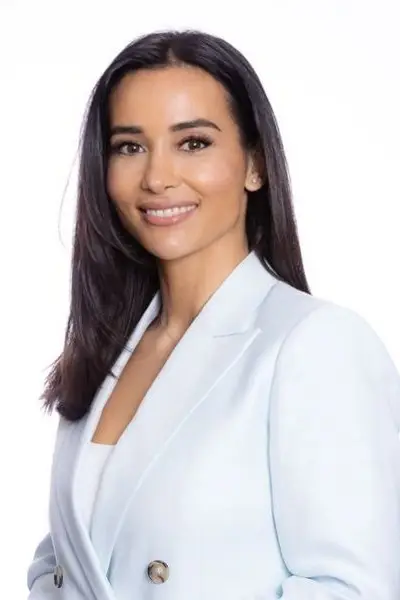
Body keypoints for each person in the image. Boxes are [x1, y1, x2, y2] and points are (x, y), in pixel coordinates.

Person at [26, 29, 400, 600]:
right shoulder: (107, 352)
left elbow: (354, 589)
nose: (157, 177)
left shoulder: (315, 344)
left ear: (255, 164)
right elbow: (65, 564)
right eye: (129, 147)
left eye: (193, 143)